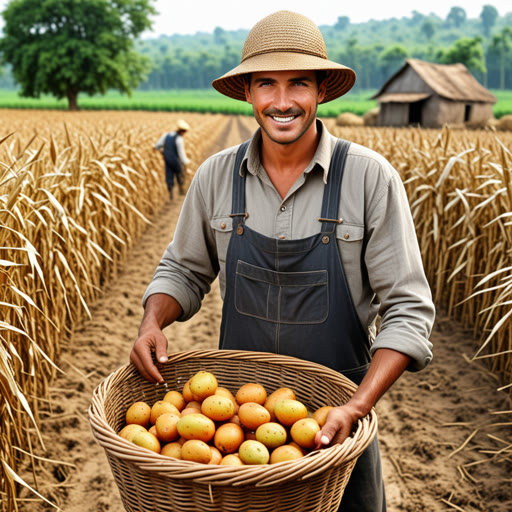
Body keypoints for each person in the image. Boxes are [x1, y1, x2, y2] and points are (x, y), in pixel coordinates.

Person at [131, 10, 434, 511]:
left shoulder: (368, 179)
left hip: (337, 426)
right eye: (266, 83)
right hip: (235, 425)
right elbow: (184, 270)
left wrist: (357, 407)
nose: (282, 101)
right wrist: (151, 321)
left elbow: (408, 309)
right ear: (248, 93)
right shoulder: (215, 178)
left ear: (321, 93)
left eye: (299, 84)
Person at [154, 119, 191, 199]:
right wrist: (186, 161)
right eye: (184, 131)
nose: (184, 133)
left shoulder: (166, 135)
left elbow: (157, 146)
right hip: (176, 161)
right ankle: (181, 190)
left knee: (169, 175)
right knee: (180, 174)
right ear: (181, 131)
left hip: (167, 160)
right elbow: (181, 154)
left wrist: (163, 152)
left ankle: (171, 194)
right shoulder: (179, 139)